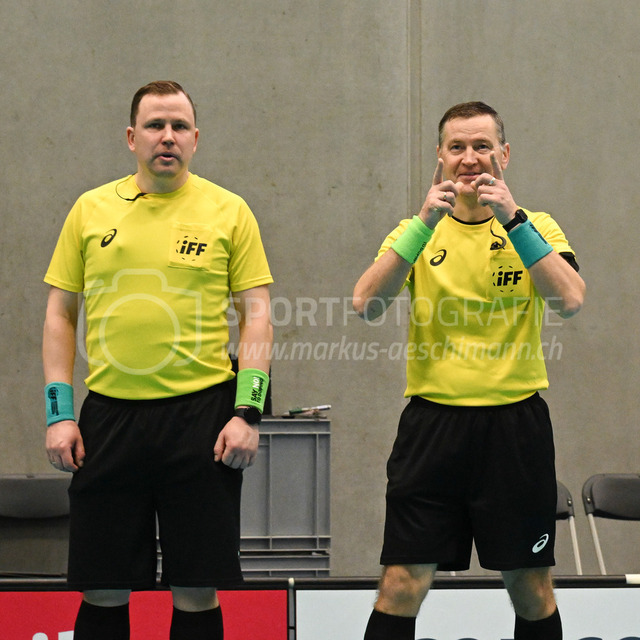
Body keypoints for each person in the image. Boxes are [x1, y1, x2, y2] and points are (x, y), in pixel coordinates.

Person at [43, 80, 273, 640]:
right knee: (103, 587)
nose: (166, 137)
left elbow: (258, 315)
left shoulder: (229, 211)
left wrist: (247, 412)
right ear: (131, 137)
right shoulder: (90, 209)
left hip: (202, 420)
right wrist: (59, 413)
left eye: (178, 126)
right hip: (108, 420)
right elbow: (59, 316)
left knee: (197, 587)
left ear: (195, 138)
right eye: (154, 125)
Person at [353, 101, 585, 640]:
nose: (470, 158)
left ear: (504, 154)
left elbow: (570, 300)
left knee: (531, 589)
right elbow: (366, 304)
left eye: (482, 145)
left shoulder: (537, 226)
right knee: (401, 584)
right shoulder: (416, 230)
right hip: (432, 429)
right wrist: (423, 224)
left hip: (515, 429)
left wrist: (514, 220)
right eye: (457, 147)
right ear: (440, 156)